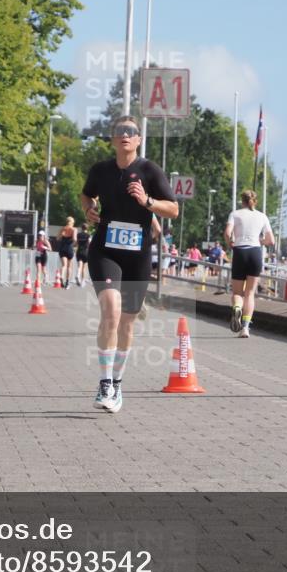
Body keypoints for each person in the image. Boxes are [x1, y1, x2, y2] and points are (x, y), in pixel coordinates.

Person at [80, 115, 177, 413]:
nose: (125, 135)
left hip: (137, 255)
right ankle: (105, 383)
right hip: (105, 251)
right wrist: (89, 209)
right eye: (120, 131)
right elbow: (86, 195)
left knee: (127, 322)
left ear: (138, 140)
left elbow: (173, 209)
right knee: (111, 310)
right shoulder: (101, 170)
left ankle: (118, 384)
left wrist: (147, 202)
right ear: (113, 139)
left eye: (131, 132)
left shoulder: (149, 171)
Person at [225, 189, 276, 338]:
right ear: (255, 200)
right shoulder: (262, 216)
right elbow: (270, 240)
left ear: (242, 200)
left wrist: (231, 244)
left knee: (237, 293)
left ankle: (236, 308)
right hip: (255, 252)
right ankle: (245, 327)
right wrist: (259, 241)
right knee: (250, 293)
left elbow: (227, 233)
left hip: (240, 252)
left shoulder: (235, 214)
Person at [57, 217, 77, 288]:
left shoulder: (63, 228)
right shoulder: (74, 229)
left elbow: (58, 238)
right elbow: (74, 239)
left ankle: (62, 276)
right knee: (69, 266)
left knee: (64, 265)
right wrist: (74, 244)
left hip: (62, 248)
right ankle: (68, 282)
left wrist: (63, 236)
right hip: (69, 248)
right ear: (72, 222)